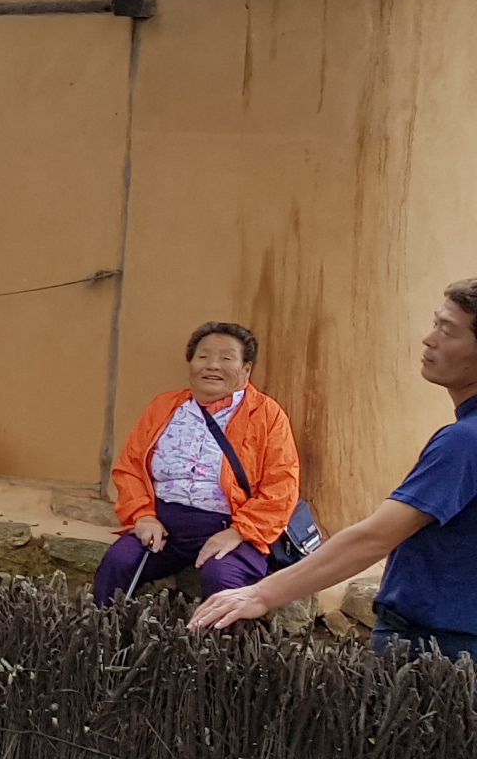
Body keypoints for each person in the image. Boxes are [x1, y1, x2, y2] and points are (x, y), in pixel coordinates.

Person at [195, 281, 477, 658]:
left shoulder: (464, 442)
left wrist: (261, 593)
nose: (429, 340)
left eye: (447, 330)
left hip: (437, 645)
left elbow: (374, 539)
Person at [96, 322, 303, 608]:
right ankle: (105, 645)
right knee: (120, 562)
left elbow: (281, 487)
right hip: (164, 525)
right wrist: (143, 516)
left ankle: (216, 652)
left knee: (222, 578)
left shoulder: (267, 415)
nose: (212, 366)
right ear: (191, 363)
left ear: (246, 369)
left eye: (227, 358)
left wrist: (238, 532)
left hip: (232, 526)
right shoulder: (164, 407)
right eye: (203, 357)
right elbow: (130, 467)